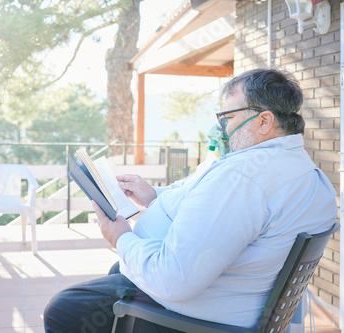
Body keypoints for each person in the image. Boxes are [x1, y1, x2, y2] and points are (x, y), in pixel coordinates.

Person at [43, 68, 338, 332]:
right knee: (116, 274)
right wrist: (155, 197)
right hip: (234, 305)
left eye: (229, 117)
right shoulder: (309, 174)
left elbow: (173, 280)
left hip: (199, 319)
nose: (223, 129)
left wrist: (121, 239)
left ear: (263, 121)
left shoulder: (244, 177)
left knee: (65, 310)